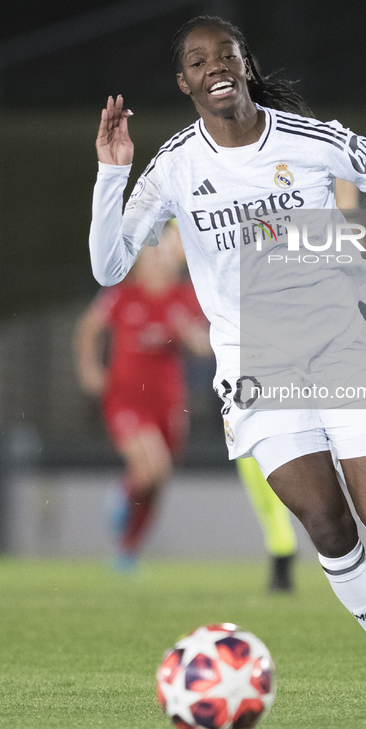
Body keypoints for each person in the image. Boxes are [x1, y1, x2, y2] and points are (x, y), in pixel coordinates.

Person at [88, 15, 366, 705]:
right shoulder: (172, 166)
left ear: (244, 64)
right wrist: (111, 174)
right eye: (198, 61)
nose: (214, 66)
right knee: (323, 520)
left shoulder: (306, 141)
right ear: (184, 82)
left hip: (336, 348)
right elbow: (109, 267)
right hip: (254, 371)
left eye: (225, 54)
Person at [75, 225, 210, 569]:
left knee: (158, 480)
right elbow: (88, 329)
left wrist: (188, 332)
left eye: (159, 255)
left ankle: (127, 549)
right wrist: (90, 369)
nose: (155, 261)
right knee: (153, 468)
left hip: (167, 403)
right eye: (149, 256)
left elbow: (204, 347)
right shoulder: (122, 296)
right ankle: (122, 493)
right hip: (126, 399)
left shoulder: (184, 297)